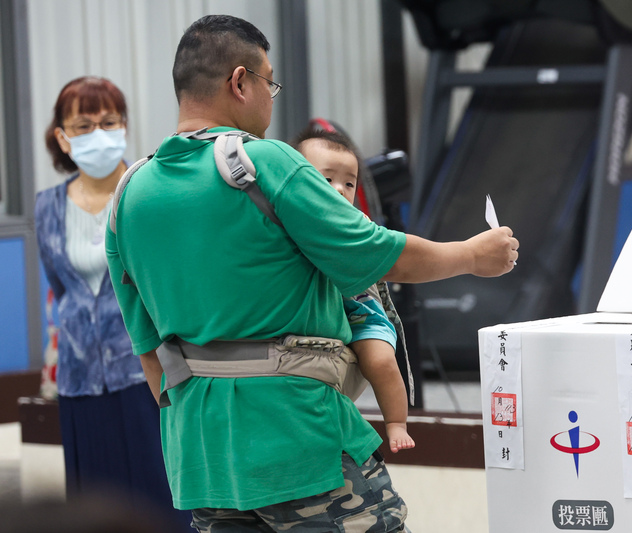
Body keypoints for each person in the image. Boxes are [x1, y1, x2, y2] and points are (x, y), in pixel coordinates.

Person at [106, 14, 518, 532]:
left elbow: (150, 354)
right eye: (269, 81)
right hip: (302, 443)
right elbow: (378, 253)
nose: (272, 99)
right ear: (239, 81)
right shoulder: (264, 164)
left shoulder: (129, 196)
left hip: (203, 459)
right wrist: (472, 256)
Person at [34, 76, 193, 532]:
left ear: (124, 126)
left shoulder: (148, 189)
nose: (98, 133)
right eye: (83, 124)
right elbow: (61, 292)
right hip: (80, 383)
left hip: (148, 373)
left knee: (161, 503)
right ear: (62, 136)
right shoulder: (47, 207)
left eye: (108, 121)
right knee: (93, 508)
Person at [293, 126, 415, 454]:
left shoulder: (354, 223)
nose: (340, 189)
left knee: (380, 362)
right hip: (321, 321)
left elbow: (388, 254)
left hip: (363, 316)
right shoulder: (288, 222)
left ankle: (396, 422)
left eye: (349, 182)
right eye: (327, 178)